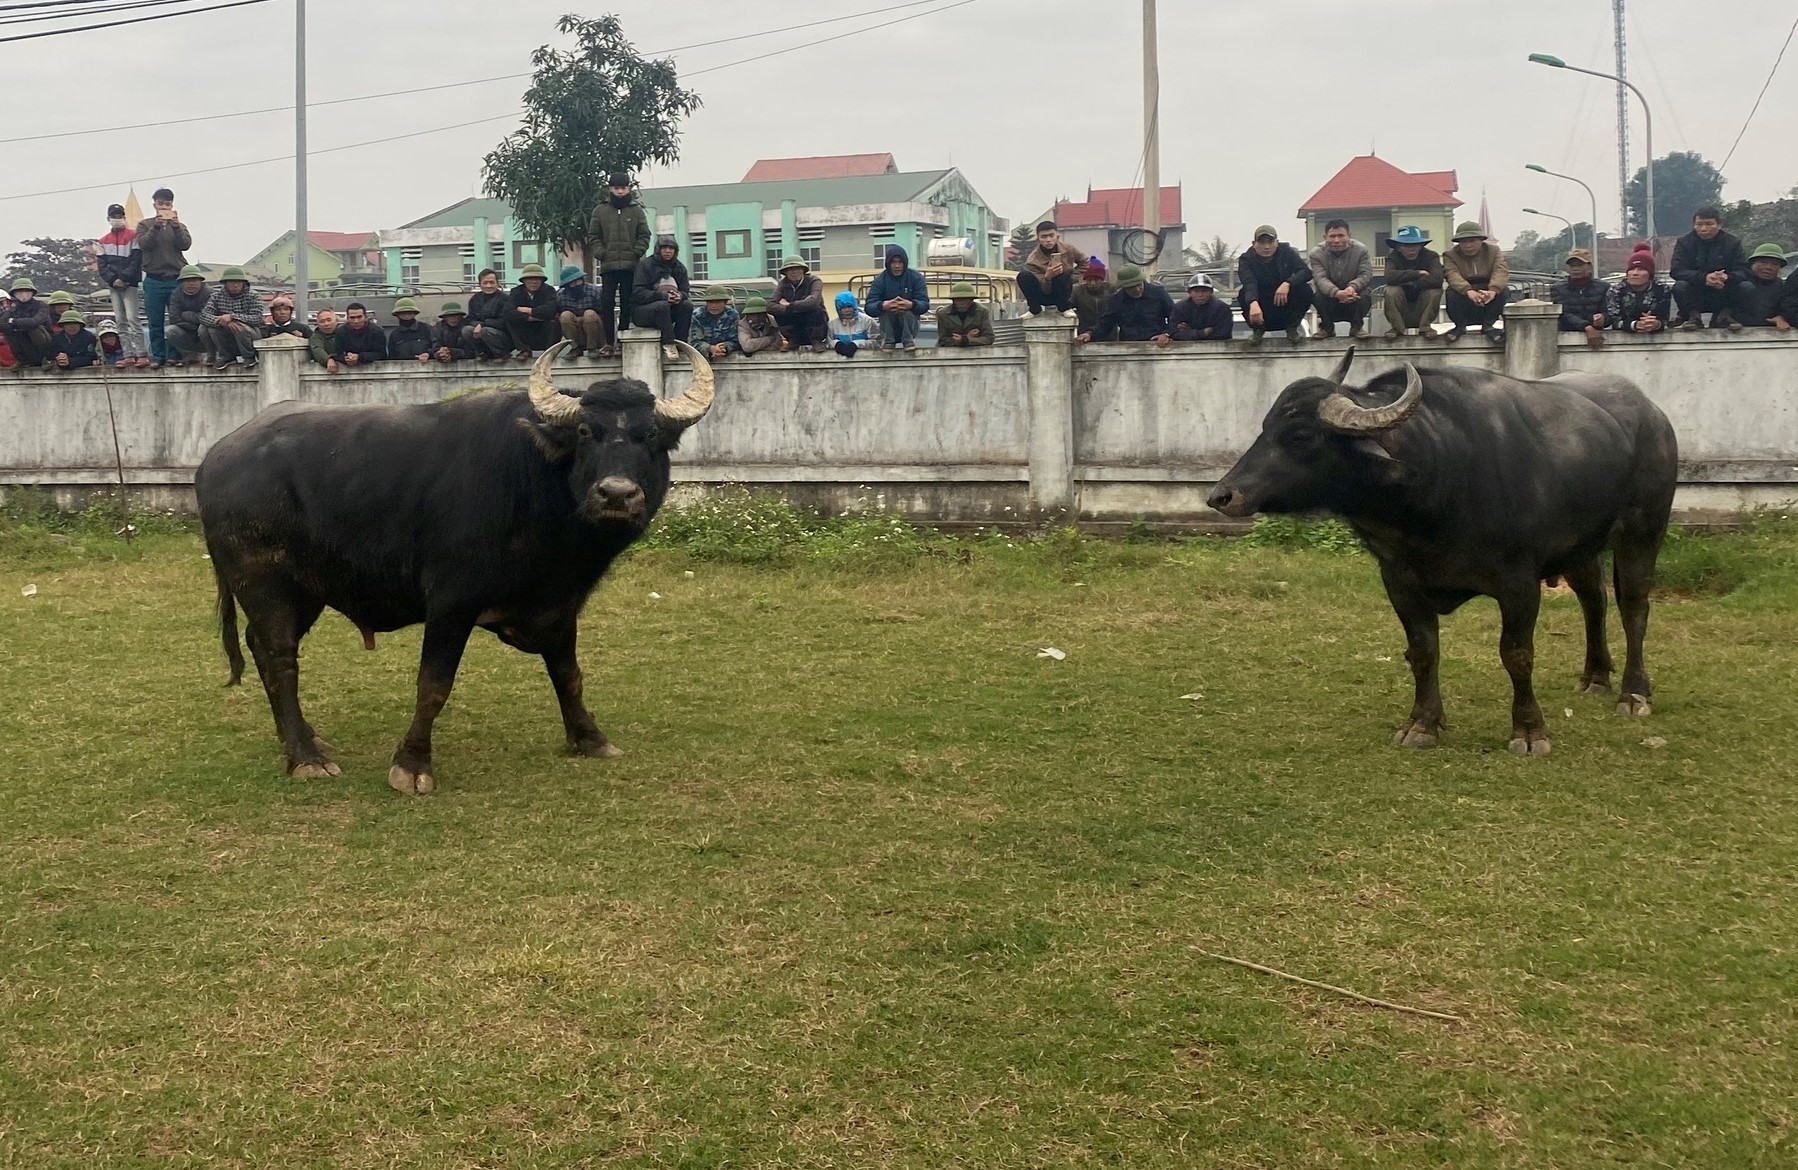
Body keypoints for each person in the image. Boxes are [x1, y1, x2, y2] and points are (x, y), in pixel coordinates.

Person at [588, 171, 650, 357]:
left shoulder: (636, 210)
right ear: (610, 189)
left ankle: (622, 341)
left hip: (631, 267)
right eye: (616, 188)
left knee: (626, 303)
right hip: (608, 267)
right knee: (606, 303)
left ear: (628, 188)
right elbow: (593, 237)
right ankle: (608, 342)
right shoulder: (600, 210)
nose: (620, 191)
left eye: (623, 188)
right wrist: (602, 254)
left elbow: (644, 235)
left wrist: (636, 253)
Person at [135, 186, 192, 370]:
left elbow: (185, 245)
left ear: (172, 205)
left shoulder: (180, 225)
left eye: (167, 204)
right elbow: (144, 244)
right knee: (155, 321)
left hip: (176, 278)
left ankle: (175, 355)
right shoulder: (145, 224)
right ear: (154, 205)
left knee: (177, 320)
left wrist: (175, 227)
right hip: (154, 279)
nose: (164, 207)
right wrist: (156, 227)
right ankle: (158, 356)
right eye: (161, 204)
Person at [1670, 206, 1749, 330]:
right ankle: (1694, 318)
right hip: (1696, 291)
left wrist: (1726, 277)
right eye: (1699, 224)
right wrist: (1704, 278)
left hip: (1723, 290)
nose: (1704, 229)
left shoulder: (1732, 242)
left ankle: (1724, 317)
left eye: (1709, 224)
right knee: (1680, 286)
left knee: (1746, 287)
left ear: (1719, 225)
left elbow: (1744, 270)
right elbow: (1676, 270)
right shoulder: (1684, 243)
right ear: (1694, 225)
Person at [1237, 225, 1314, 344]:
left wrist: (1288, 283)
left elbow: (1306, 272)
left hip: (1284, 302)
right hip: (1262, 302)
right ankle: (1258, 329)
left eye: (1270, 242)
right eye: (1262, 242)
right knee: (1243, 294)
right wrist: (1253, 302)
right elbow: (1248, 282)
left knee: (1305, 290)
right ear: (1254, 243)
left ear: (1277, 242)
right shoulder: (1246, 259)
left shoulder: (1288, 252)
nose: (1266, 246)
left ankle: (1292, 327)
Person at [96, 201, 148, 367]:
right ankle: (128, 354)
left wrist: (124, 278)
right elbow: (102, 266)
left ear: (124, 217)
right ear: (108, 218)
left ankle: (141, 353)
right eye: (114, 216)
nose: (117, 219)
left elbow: (136, 260)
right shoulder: (103, 241)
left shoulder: (133, 236)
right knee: (120, 320)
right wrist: (113, 280)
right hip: (114, 285)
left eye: (119, 216)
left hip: (130, 284)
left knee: (133, 319)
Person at [1442, 221, 1509, 344]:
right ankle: (1460, 326)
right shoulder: (1450, 255)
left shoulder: (1493, 251)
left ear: (1481, 240)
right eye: (1464, 242)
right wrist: (1468, 291)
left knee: (1504, 291)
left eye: (1472, 241)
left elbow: (1500, 271)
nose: (1468, 245)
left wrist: (1493, 291)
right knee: (1451, 293)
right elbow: (1452, 275)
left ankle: (1488, 325)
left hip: (1487, 291)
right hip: (1464, 295)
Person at [1307, 219, 1373, 340]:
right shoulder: (1316, 254)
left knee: (1366, 294)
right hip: (1330, 299)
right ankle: (1327, 328)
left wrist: (1352, 288)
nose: (1336, 240)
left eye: (1341, 236)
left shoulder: (1361, 250)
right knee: (1316, 296)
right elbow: (1320, 279)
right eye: (1332, 236)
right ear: (1325, 237)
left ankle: (1357, 327)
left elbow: (1366, 274)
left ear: (1349, 236)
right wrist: (1337, 293)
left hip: (1354, 296)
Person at [1080, 263, 1173, 346]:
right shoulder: (1117, 300)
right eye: (1131, 287)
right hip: (1129, 348)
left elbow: (1175, 317)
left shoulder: (1158, 293)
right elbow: (1105, 324)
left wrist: (1166, 334)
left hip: (1157, 345)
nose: (1137, 289)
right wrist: (1089, 334)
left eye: (1139, 285)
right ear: (1123, 287)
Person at [1381, 225, 1443, 339]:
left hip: (1422, 305)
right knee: (1391, 290)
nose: (1411, 249)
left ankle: (1425, 327)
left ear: (1420, 246)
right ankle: (1397, 328)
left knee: (1435, 291)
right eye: (1406, 245)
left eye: (1415, 245)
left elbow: (1438, 279)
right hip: (1401, 307)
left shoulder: (1431, 256)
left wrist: (1413, 284)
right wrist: (1417, 273)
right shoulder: (1392, 257)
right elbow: (1389, 277)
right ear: (1399, 247)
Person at [629, 236, 693, 346]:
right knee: (662, 305)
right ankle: (669, 344)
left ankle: (682, 343)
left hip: (669, 311)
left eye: (671, 248)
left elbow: (685, 291)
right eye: (664, 248)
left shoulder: (680, 268)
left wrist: (680, 296)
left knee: (687, 305)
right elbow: (638, 293)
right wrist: (662, 296)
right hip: (642, 311)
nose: (668, 251)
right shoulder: (644, 265)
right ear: (658, 249)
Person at [863, 244, 929, 350]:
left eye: (900, 262)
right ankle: (889, 341)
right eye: (893, 262)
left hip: (911, 325)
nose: (897, 266)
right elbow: (869, 306)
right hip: (887, 326)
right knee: (888, 312)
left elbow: (925, 304)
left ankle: (908, 341)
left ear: (905, 263)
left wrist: (911, 305)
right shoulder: (880, 280)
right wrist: (883, 305)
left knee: (905, 311)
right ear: (888, 264)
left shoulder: (916, 278)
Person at [1019, 220, 1086, 318]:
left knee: (1063, 275)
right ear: (1038, 239)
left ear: (1057, 237)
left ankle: (1065, 308)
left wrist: (1072, 278)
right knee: (1023, 276)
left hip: (1063, 292)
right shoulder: (1033, 260)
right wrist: (1048, 277)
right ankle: (1034, 309)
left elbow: (1085, 262)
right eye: (1044, 237)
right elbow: (1044, 289)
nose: (1048, 240)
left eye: (1051, 235)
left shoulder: (1069, 249)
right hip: (1043, 294)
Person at [199, 266, 262, 369]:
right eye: (232, 282)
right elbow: (204, 316)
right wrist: (221, 321)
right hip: (226, 334)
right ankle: (225, 356)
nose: (235, 285)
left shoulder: (253, 296)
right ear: (225, 283)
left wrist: (233, 317)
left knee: (240, 327)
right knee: (208, 328)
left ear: (243, 283)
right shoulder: (216, 296)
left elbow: (257, 318)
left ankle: (249, 357)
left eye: (238, 282)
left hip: (251, 334)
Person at [1551, 248, 1610, 349]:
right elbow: (1564, 314)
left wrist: (1603, 319)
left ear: (1589, 266)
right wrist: (1587, 327)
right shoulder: (1557, 288)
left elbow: (1610, 313)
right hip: (1566, 339)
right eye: (1572, 265)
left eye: (1580, 265)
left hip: (1599, 337)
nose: (1575, 268)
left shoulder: (1604, 287)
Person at [1606, 247, 1672, 335]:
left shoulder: (1662, 289)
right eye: (1631, 269)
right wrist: (1635, 325)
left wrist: (1655, 324)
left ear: (1650, 274)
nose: (1635, 273)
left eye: (1641, 269)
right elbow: (1613, 320)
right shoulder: (1616, 290)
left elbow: (1664, 319)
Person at [770, 257, 828, 350]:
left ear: (803, 270)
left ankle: (816, 340)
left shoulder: (814, 281)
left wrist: (789, 305)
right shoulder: (783, 284)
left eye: (797, 268)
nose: (794, 272)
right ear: (785, 273)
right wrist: (798, 306)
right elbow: (771, 306)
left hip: (815, 324)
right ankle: (793, 339)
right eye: (790, 269)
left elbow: (813, 302)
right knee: (778, 312)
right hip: (795, 325)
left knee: (815, 309)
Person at [1, 278, 56, 370]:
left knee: (34, 329)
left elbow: (35, 321)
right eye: (19, 292)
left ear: (32, 293)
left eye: (26, 291)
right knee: (9, 332)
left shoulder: (41, 306)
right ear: (14, 294)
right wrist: (14, 326)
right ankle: (22, 360)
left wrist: (14, 322)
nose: (23, 295)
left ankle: (46, 359)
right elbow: (2, 323)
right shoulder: (13, 309)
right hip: (25, 343)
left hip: (45, 342)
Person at [163, 266, 210, 367]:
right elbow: (174, 318)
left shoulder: (209, 293)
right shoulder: (176, 294)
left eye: (194, 280)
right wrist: (193, 325)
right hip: (187, 331)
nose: (191, 283)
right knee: (170, 330)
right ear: (181, 282)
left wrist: (187, 315)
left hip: (205, 331)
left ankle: (212, 355)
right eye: (187, 280)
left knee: (205, 328)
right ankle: (190, 355)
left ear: (200, 281)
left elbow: (209, 317)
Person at [509, 264, 559, 358]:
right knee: (509, 321)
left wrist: (529, 310)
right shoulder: (516, 292)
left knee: (556, 320)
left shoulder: (549, 290)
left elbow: (550, 310)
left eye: (537, 279)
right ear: (524, 281)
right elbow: (508, 312)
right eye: (530, 279)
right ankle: (524, 350)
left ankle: (549, 352)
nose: (534, 282)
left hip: (544, 330)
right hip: (525, 328)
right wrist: (529, 318)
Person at [1736, 244, 1791, 330]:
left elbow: (1788, 309)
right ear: (1752, 263)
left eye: (1774, 264)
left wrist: (1782, 317)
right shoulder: (1736, 282)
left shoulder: (1784, 287)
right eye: (1763, 262)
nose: (1768, 267)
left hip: (1770, 335)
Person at [556, 265, 606, 357]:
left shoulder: (595, 291)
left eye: (578, 281)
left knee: (589, 314)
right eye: (572, 282)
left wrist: (584, 319)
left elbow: (604, 314)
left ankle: (592, 348)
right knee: (565, 316)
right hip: (577, 333)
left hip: (597, 333)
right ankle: (575, 348)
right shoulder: (560, 296)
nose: (576, 284)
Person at [1169, 272, 1232, 341]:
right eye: (1196, 291)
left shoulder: (1221, 308)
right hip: (1185, 349)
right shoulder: (1180, 308)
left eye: (1204, 291)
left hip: (1219, 349)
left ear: (1211, 292)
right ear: (1189, 292)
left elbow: (1223, 334)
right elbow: (1174, 333)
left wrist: (1189, 333)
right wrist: (1201, 333)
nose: (1200, 295)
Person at [467, 268, 511, 360]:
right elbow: (470, 319)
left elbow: (504, 322)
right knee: (466, 330)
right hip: (480, 330)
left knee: (485, 331)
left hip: (503, 336)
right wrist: (477, 326)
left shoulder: (505, 299)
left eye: (492, 282)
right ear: (479, 284)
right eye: (485, 283)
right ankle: (482, 353)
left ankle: (501, 354)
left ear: (497, 283)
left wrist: (482, 325)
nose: (488, 285)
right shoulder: (474, 299)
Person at [935, 282, 994, 347]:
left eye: (965, 298)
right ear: (953, 300)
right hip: (950, 352)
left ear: (971, 299)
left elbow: (989, 338)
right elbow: (942, 340)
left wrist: (966, 340)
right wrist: (965, 338)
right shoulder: (943, 314)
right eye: (957, 299)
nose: (961, 302)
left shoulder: (982, 312)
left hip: (976, 351)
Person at [689, 286, 740, 358]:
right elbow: (694, 342)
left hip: (727, 355)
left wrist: (723, 347)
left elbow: (736, 341)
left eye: (718, 302)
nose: (713, 305)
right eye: (710, 302)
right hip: (703, 357)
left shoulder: (733, 315)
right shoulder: (697, 315)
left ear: (725, 302)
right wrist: (711, 349)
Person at [827, 289, 879, 357]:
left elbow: (877, 341)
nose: (847, 310)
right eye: (843, 308)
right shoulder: (832, 325)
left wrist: (856, 344)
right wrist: (837, 344)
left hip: (865, 359)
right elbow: (827, 342)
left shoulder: (868, 321)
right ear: (838, 309)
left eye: (849, 306)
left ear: (854, 306)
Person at [1071, 258, 1112, 337]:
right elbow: (1066, 305)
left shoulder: (1111, 290)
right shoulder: (1077, 291)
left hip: (1110, 337)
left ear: (1102, 279)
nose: (1092, 283)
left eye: (1096, 280)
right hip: (1084, 336)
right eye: (1089, 280)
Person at [337, 302, 386, 367]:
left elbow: (381, 354)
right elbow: (337, 353)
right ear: (347, 318)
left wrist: (359, 357)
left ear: (366, 317)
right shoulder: (341, 332)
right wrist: (346, 358)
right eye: (352, 318)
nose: (356, 321)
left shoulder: (377, 331)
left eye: (359, 317)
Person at [386, 297, 433, 362]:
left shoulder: (427, 329)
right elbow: (391, 358)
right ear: (397, 315)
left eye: (410, 313)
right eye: (403, 313)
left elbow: (436, 348)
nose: (406, 316)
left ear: (415, 314)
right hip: (402, 370)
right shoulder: (394, 335)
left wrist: (428, 354)